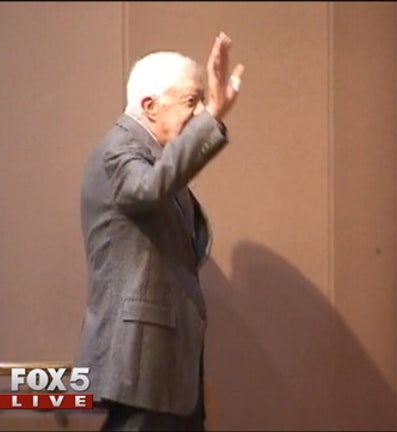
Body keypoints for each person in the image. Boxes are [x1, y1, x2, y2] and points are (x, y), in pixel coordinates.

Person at [74, 32, 245, 431]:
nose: (201, 110)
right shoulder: (118, 149)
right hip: (140, 366)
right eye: (192, 102)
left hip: (164, 369)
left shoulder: (153, 159)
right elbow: (146, 190)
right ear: (149, 106)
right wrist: (214, 120)